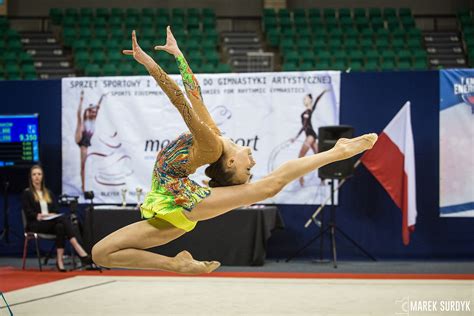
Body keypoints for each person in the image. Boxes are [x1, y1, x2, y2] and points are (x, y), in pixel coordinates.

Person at [91, 27, 378, 274]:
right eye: (250, 167)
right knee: (100, 254)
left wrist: (149, 63)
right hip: (171, 205)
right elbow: (194, 94)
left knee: (268, 187)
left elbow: (180, 102)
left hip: (180, 201)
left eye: (247, 168)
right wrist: (178, 54)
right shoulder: (216, 136)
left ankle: (336, 152)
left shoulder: (211, 145)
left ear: (229, 163)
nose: (252, 160)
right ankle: (177, 264)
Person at [22, 165, 92, 272]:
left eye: (39, 174)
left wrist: (50, 215)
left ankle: (59, 261)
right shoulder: (27, 193)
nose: (37, 177)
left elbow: (56, 210)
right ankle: (78, 248)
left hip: (50, 222)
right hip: (36, 223)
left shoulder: (48, 193)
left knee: (60, 226)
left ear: (42, 176)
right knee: (63, 219)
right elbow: (27, 212)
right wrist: (38, 215)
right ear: (30, 177)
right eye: (34, 174)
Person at [291, 90, 328, 186]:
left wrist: (323, 92)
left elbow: (317, 99)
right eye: (303, 99)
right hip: (308, 135)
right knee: (318, 157)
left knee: (301, 156)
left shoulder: (310, 110)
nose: (304, 100)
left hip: (311, 135)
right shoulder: (304, 112)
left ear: (310, 100)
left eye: (306, 99)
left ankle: (301, 178)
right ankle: (323, 179)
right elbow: (303, 126)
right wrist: (296, 137)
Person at [74, 90, 107, 192]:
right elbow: (81, 112)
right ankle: (83, 187)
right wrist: (81, 100)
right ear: (88, 112)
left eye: (94, 112)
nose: (93, 113)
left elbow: (98, 106)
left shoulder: (94, 119)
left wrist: (101, 97)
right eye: (91, 111)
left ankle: (83, 186)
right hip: (81, 139)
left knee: (84, 166)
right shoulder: (86, 118)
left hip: (86, 142)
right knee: (79, 121)